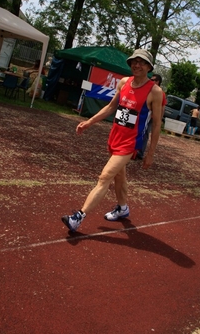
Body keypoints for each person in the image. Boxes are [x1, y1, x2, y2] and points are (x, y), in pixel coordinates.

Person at [61, 49, 163, 232]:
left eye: (142, 62)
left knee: (105, 176)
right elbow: (111, 107)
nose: (137, 65)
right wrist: (89, 122)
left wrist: (150, 154)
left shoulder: (155, 92)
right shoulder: (124, 82)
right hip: (115, 137)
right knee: (119, 177)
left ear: (149, 66)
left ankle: (78, 217)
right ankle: (123, 208)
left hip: (130, 143)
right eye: (134, 61)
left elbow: (156, 125)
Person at [137, 74, 167, 159]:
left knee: (146, 134)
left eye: (153, 79)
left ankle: (141, 152)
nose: (151, 81)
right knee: (139, 131)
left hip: (153, 118)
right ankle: (135, 149)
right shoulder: (149, 90)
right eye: (151, 79)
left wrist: (159, 120)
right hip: (146, 115)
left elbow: (162, 107)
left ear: (158, 82)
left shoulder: (160, 93)